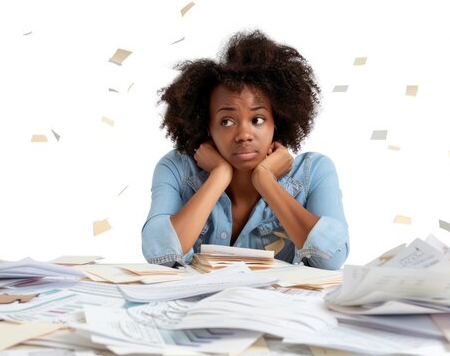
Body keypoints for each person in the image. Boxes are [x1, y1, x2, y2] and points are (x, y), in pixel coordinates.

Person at [142, 29, 349, 270]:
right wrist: (219, 175)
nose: (243, 135)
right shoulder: (176, 168)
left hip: (275, 307)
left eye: (257, 119)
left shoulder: (314, 172)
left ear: (276, 121)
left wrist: (266, 182)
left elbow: (331, 259)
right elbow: (159, 255)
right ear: (208, 126)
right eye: (226, 121)